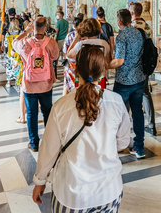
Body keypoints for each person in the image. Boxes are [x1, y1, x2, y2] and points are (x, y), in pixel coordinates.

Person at [32, 45, 130, 213]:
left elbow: (49, 150)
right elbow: (122, 143)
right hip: (109, 191)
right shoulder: (116, 101)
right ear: (102, 71)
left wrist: (40, 181)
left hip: (72, 194)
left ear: (76, 70)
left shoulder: (60, 107)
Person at [13, 17, 60, 151]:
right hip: (45, 83)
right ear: (46, 27)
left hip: (29, 84)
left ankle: (34, 143)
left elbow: (14, 42)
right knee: (47, 111)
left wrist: (25, 31)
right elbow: (55, 57)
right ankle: (50, 141)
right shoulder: (51, 43)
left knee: (31, 113)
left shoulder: (24, 43)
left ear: (33, 27)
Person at [109, 9, 147, 159]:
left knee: (115, 113)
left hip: (124, 82)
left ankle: (114, 145)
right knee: (138, 113)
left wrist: (104, 65)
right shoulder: (139, 33)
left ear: (119, 22)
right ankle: (139, 148)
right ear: (130, 19)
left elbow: (119, 61)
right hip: (139, 79)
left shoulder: (121, 37)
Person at [129, 2, 156, 136]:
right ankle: (152, 125)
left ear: (132, 13)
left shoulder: (132, 27)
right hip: (145, 65)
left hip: (134, 66)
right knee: (145, 93)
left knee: (129, 95)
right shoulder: (147, 26)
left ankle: (125, 126)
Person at [66, 18, 110, 89]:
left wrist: (76, 37)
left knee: (79, 92)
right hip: (99, 76)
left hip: (81, 76)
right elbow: (107, 62)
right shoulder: (104, 43)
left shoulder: (80, 44)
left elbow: (68, 55)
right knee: (100, 96)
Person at [62, 13, 85, 95]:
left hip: (70, 64)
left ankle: (65, 104)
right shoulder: (84, 37)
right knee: (78, 83)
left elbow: (65, 51)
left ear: (73, 26)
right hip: (81, 64)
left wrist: (67, 61)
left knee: (67, 85)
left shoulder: (69, 36)